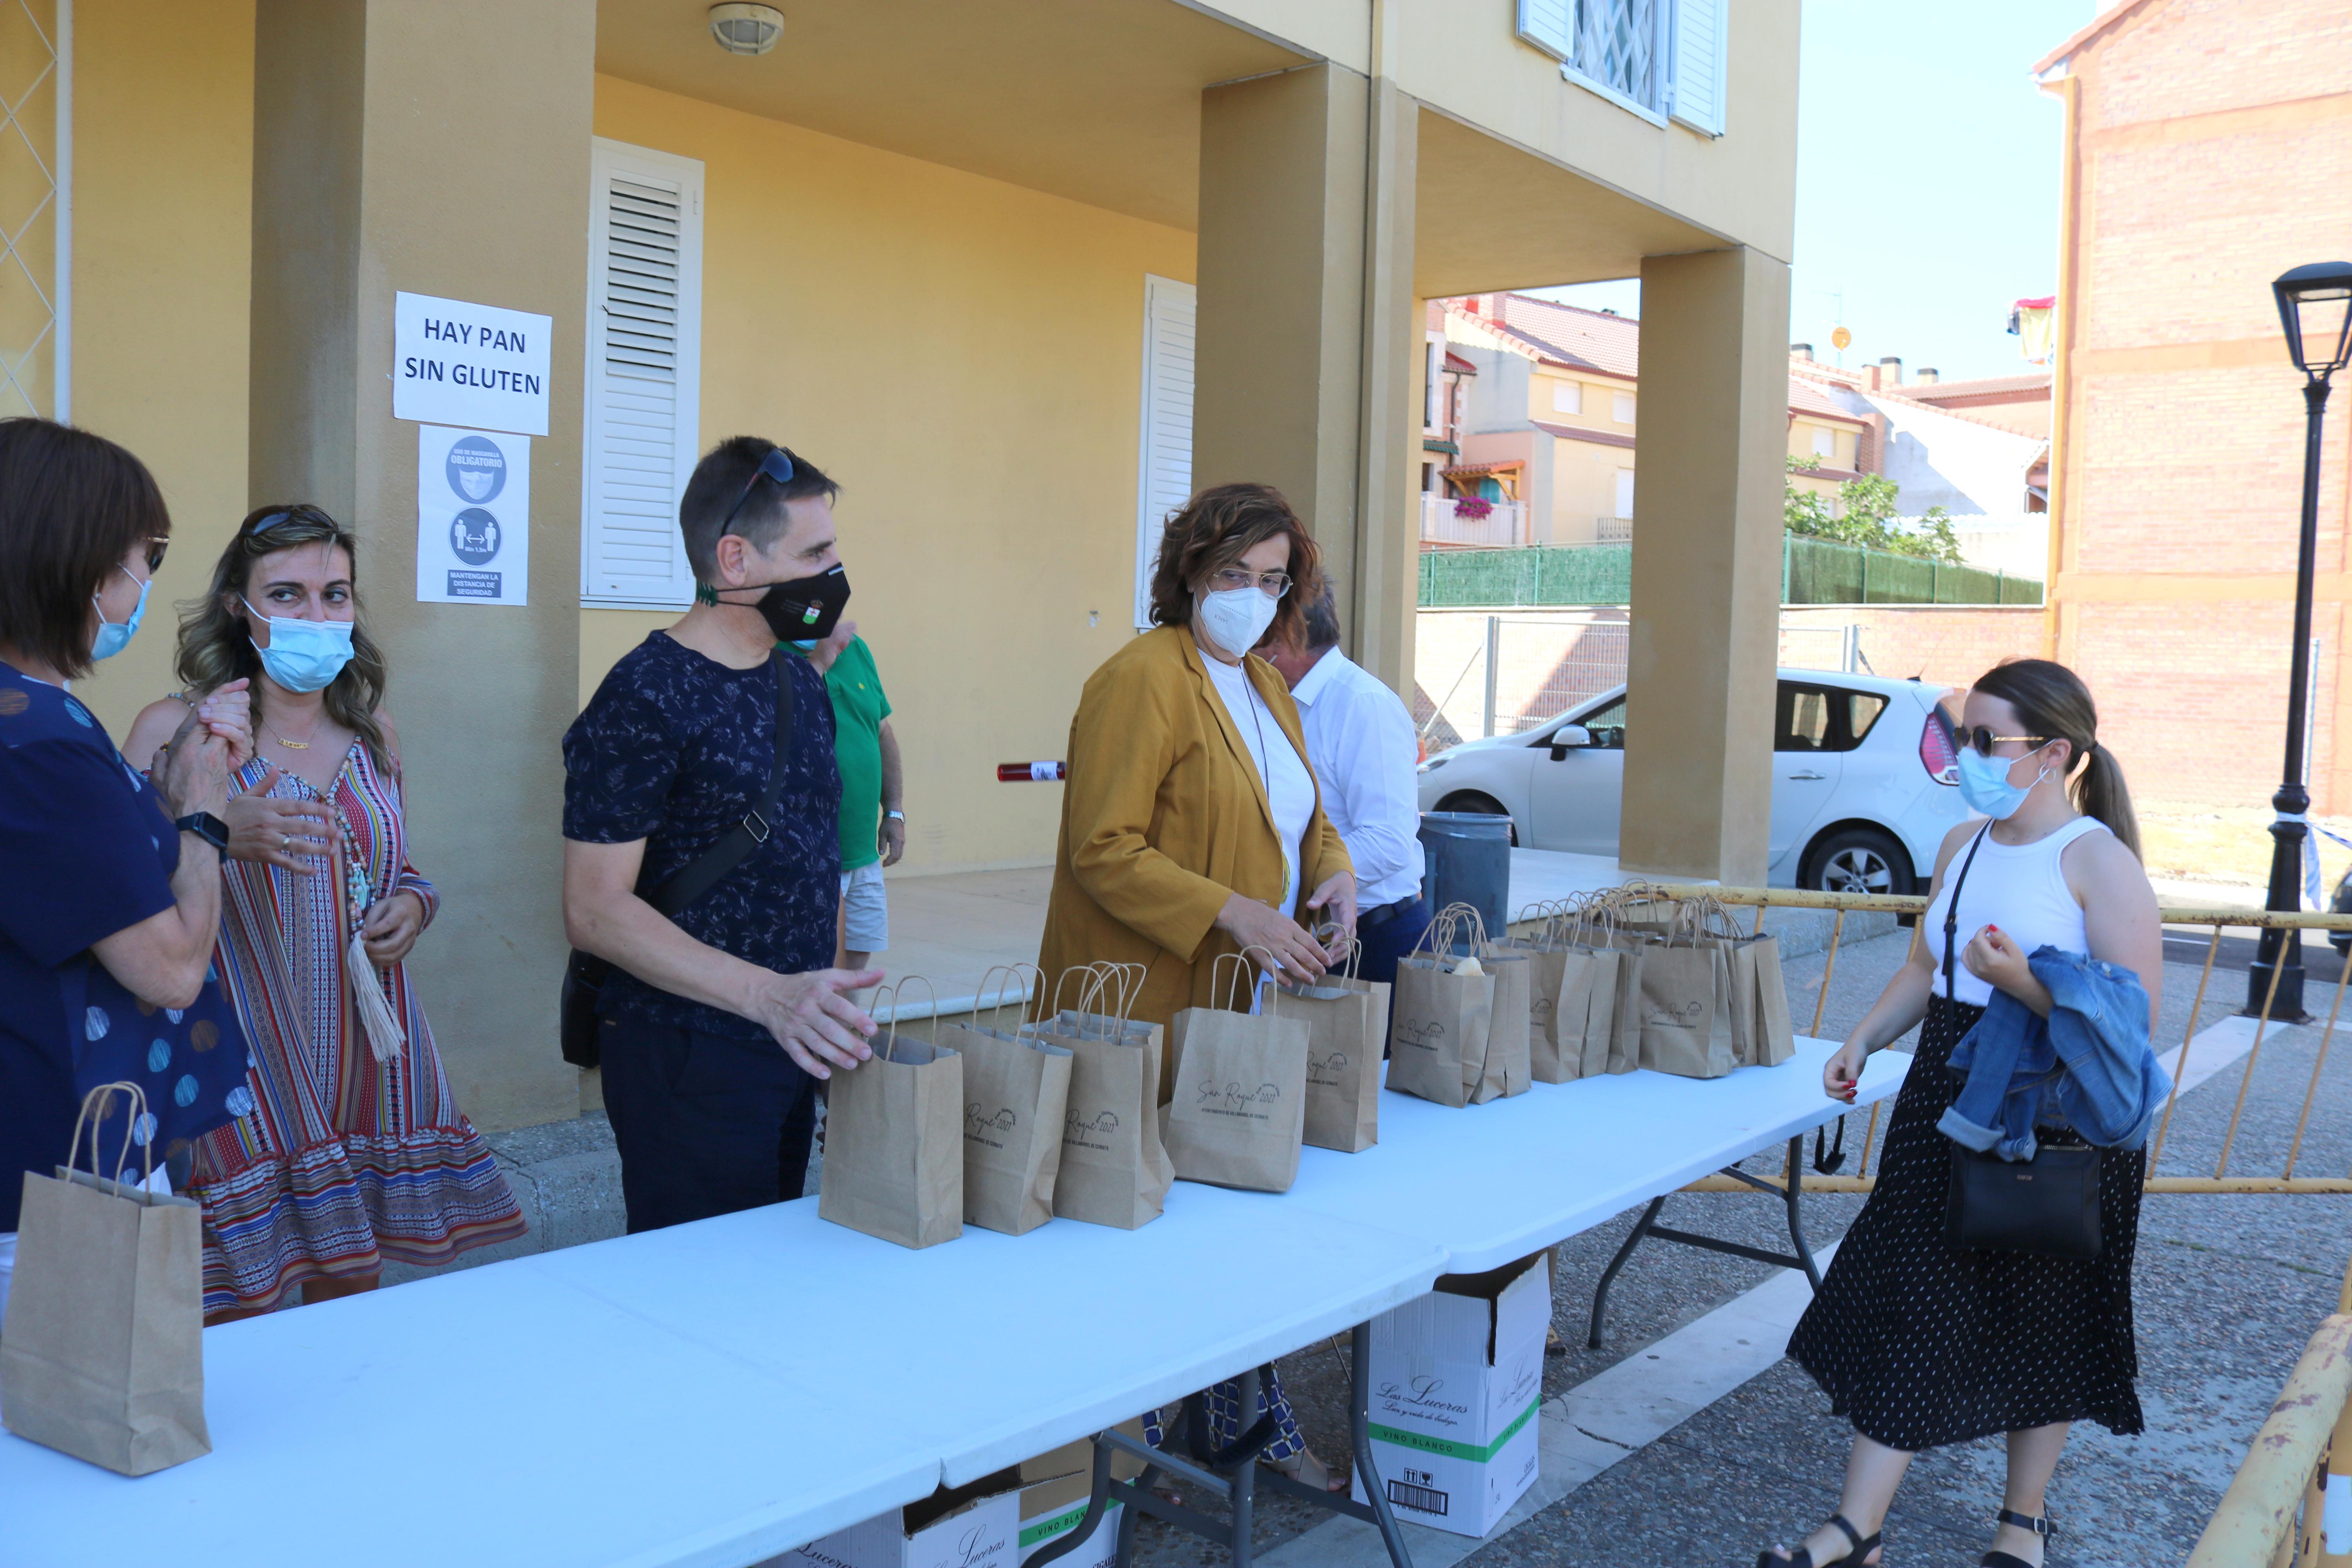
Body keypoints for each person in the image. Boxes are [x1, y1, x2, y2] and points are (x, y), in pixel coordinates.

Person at [1764, 659, 2160, 1568]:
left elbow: (2130, 1024)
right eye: (1961, 737)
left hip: (2055, 1121)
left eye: (1987, 740)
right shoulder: (1961, 846)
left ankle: (2021, 1524)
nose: (1967, 756)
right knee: (1913, 1300)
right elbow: (1920, 967)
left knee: (2045, 1316)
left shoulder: (2096, 859)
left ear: (2053, 752)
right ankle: (1856, 1526)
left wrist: (2020, 979)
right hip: (1943, 1102)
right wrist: (1861, 1039)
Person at [123, 505, 525, 1319]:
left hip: (365, 1060)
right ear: (240, 605)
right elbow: (120, 895)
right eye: (289, 592)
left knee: (349, 1307)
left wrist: (415, 903)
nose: (317, 614)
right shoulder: (175, 730)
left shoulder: (376, 733)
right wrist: (207, 824)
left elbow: (398, 863)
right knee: (234, 1313)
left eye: (334, 594)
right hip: (237, 1065)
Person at [1034, 480, 1356, 1492]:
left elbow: (1301, 815)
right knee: (1147, 1244)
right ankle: (1118, 1463)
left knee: (1233, 1229)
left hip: (1235, 1013)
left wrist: (1337, 871)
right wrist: (1235, 912)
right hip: (1142, 1012)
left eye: (1272, 581)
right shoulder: (1142, 679)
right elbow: (1103, 849)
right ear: (1189, 574)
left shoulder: (1262, 687)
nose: (1253, 598)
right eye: (1233, 576)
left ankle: (1231, 1419)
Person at [563, 437, 880, 1234]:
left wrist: (825, 1007)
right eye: (815, 551)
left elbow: (812, 861)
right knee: (695, 1301)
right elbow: (595, 910)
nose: (834, 572)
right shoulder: (643, 696)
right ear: (734, 559)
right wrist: (768, 996)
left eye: (833, 548)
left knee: (768, 1279)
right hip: (685, 1052)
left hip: (790, 1040)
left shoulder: (797, 684)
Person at [0, 418, 255, 1333]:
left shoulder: (31, 719)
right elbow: (170, 967)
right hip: (57, 1178)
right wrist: (200, 812)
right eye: (144, 554)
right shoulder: (37, 742)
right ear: (78, 562)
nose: (146, 580)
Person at [1255, 581, 1429, 1004]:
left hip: (1376, 938)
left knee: (1370, 1072)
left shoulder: (1363, 704)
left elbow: (1390, 841)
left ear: (1288, 638)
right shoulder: (1278, 699)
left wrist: (1282, 872)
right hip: (1311, 935)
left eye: (1256, 638)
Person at [797, 622, 902, 978]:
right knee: (816, 964)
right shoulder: (774, 652)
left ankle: (849, 1031)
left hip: (862, 853)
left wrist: (895, 812)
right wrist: (821, 660)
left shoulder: (858, 650)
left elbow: (882, 732)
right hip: (813, 853)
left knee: (857, 960)